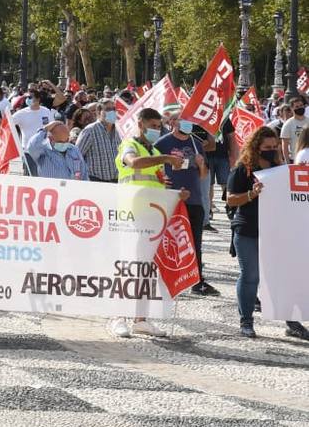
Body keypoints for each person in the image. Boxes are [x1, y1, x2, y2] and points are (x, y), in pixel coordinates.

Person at [227, 126, 308, 340]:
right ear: (256, 147)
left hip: (275, 230)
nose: (272, 150)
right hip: (247, 229)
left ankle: (291, 321)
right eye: (267, 147)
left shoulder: (279, 169)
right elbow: (230, 199)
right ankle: (246, 321)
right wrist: (251, 194)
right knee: (251, 275)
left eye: (274, 147)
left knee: (282, 275)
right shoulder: (243, 169)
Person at [110, 108, 185, 339]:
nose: (156, 129)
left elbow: (155, 182)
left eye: (158, 125)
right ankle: (118, 317)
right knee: (127, 268)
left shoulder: (152, 149)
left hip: (152, 217)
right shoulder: (129, 145)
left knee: (145, 270)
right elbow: (133, 164)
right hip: (131, 215)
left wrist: (174, 194)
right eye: (152, 125)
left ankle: (140, 319)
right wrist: (165, 158)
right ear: (140, 124)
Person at [156, 119, 217, 297]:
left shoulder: (196, 144)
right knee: (168, 241)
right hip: (171, 199)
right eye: (182, 120)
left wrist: (200, 164)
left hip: (194, 199)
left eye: (189, 121)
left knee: (194, 242)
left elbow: (204, 175)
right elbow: (153, 165)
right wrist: (161, 179)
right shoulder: (163, 143)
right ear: (173, 122)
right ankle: (164, 278)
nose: (186, 124)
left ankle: (197, 281)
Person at [24, 120, 89, 180]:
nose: (64, 144)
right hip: (52, 190)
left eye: (67, 140)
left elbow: (84, 172)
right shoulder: (43, 150)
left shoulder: (74, 149)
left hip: (73, 189)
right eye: (60, 141)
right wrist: (45, 129)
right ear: (50, 138)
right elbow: (31, 147)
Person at [76, 103, 121, 183]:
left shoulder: (119, 130)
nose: (112, 112)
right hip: (95, 182)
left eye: (114, 109)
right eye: (107, 109)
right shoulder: (90, 130)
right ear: (99, 112)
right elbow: (76, 155)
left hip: (116, 181)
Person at [279, 95, 308, 161]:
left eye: (301, 105)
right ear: (292, 109)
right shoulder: (288, 124)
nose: (300, 107)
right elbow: (285, 145)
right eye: (297, 107)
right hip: (296, 160)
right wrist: (287, 162)